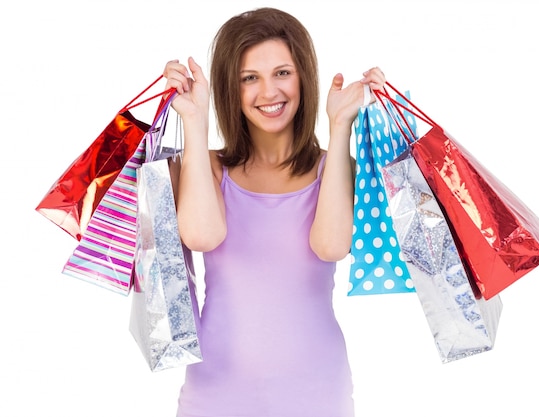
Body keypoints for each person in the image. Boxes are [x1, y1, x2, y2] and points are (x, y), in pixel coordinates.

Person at [163, 7, 386, 417]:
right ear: (233, 88)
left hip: (316, 396)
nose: (269, 92)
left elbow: (332, 245)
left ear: (303, 76)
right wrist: (194, 123)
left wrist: (341, 129)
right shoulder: (207, 167)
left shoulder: (334, 168)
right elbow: (201, 236)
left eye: (282, 73)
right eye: (250, 78)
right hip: (215, 396)